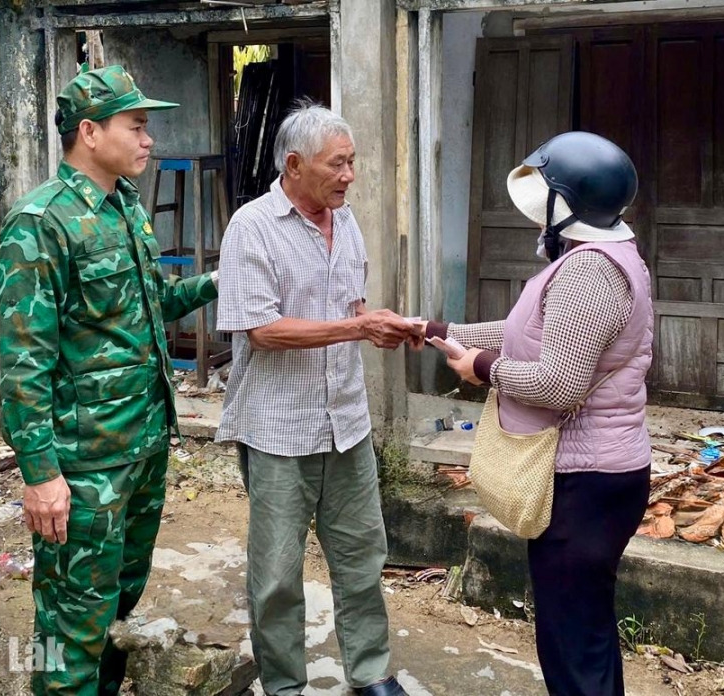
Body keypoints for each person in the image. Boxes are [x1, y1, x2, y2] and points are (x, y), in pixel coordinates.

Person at [0, 65, 219, 695]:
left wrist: (221, 284)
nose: (149, 139)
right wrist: (40, 474)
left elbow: (148, 306)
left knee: (117, 604)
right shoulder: (42, 222)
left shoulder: (123, 206)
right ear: (89, 132)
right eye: (137, 125)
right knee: (72, 626)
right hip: (84, 463)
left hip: (141, 448)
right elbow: (23, 361)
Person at [419, 132, 652, 696]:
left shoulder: (588, 270)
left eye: (544, 191)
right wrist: (441, 334)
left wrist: (483, 369)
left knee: (573, 642)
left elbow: (557, 381)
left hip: (586, 481)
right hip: (601, 475)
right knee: (583, 631)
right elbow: (531, 334)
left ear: (567, 202)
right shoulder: (603, 257)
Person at [214, 102, 416, 696]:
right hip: (279, 428)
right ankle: (283, 685)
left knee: (361, 556)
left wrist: (378, 323)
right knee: (276, 574)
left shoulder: (345, 220)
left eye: (352, 162)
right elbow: (261, 330)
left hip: (346, 421)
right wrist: (358, 329)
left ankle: (371, 672)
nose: (350, 175)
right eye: (338, 164)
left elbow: (349, 304)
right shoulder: (252, 227)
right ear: (295, 165)